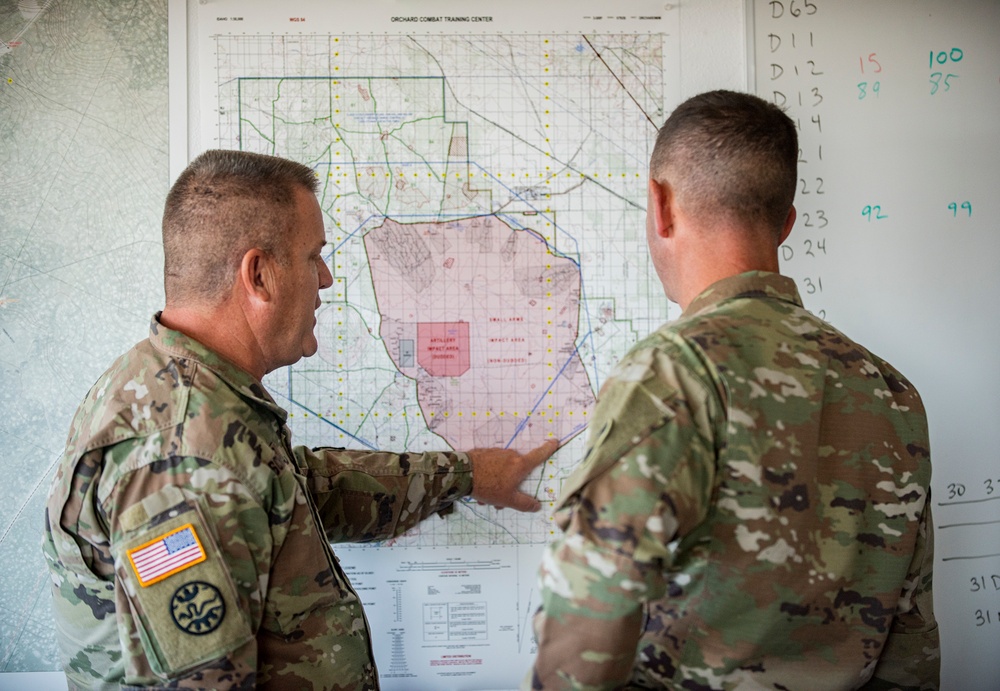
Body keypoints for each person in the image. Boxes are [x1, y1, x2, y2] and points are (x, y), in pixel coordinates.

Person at [42, 149, 558, 690]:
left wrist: (468, 475)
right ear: (259, 274)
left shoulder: (190, 396)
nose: (328, 279)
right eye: (314, 257)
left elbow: (301, 489)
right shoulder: (186, 457)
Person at [526, 90, 938, 690]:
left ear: (659, 204)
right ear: (787, 222)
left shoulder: (673, 373)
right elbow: (913, 642)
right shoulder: (892, 392)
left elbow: (590, 615)